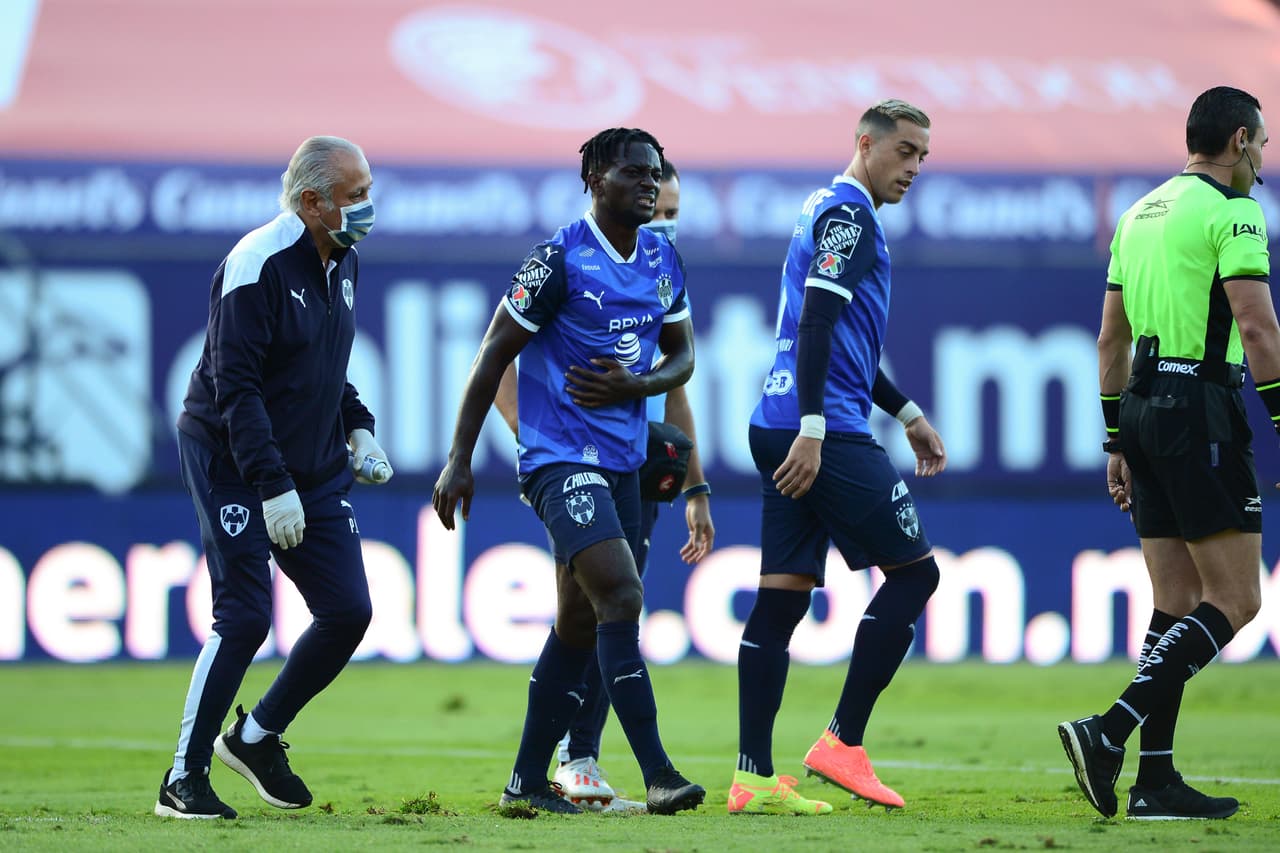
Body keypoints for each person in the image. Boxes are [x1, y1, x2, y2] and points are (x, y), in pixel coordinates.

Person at [433, 128, 706, 815]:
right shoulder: (557, 259)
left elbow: (682, 359)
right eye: (635, 173)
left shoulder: (663, 257)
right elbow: (492, 354)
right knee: (622, 594)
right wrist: (459, 458)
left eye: (656, 175)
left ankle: (525, 782)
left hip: (626, 460)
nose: (649, 184)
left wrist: (635, 385)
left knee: (579, 623)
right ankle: (659, 771)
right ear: (594, 178)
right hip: (559, 460)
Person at [155, 136, 392, 819]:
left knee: (349, 609)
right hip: (232, 457)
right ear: (312, 202)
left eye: (369, 189)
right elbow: (238, 387)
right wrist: (270, 484)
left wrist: (359, 425)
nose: (368, 207)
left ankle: (256, 736)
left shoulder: (346, 257)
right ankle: (183, 778)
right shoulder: (255, 262)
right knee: (246, 615)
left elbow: (321, 364)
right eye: (355, 195)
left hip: (312, 465)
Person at [1059, 85, 1272, 821]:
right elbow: (1258, 325)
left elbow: (1109, 339)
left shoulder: (1138, 212)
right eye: (1263, 144)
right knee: (1238, 599)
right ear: (1240, 140)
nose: (1262, 161)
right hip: (1200, 406)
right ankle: (1108, 729)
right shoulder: (1235, 212)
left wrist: (1116, 435)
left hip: (1144, 407)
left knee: (1175, 603)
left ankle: (1155, 781)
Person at [730, 99, 948, 816]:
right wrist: (819, 426)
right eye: (906, 151)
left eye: (923, 154)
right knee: (916, 574)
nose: (915, 167)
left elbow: (838, 335)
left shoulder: (824, 207)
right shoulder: (851, 218)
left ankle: (753, 776)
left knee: (784, 596)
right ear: (867, 143)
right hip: (818, 428)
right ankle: (842, 742)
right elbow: (819, 319)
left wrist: (907, 411)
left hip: (778, 418)